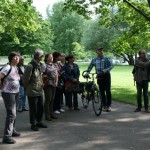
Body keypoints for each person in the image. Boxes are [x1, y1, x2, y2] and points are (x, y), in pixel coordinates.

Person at [22, 49, 47, 131]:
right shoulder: (30, 66)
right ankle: (33, 123)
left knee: (41, 107)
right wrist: (28, 88)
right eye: (42, 56)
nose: (43, 57)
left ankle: (39, 121)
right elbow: (25, 80)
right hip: (32, 91)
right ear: (38, 56)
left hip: (39, 90)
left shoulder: (39, 65)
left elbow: (39, 77)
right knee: (33, 109)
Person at [0, 52, 21, 144]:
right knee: (11, 114)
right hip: (8, 93)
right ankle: (6, 136)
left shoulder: (16, 68)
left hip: (15, 93)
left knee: (14, 113)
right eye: (15, 57)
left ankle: (12, 130)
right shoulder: (7, 67)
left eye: (18, 58)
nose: (17, 59)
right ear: (11, 58)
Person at [86, 48, 113, 112]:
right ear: (97, 52)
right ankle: (104, 105)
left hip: (106, 75)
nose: (101, 52)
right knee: (101, 91)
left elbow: (111, 66)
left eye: (101, 51)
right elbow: (90, 67)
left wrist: (105, 70)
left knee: (108, 91)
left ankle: (108, 106)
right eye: (99, 51)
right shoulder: (94, 60)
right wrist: (87, 72)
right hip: (99, 76)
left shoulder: (107, 58)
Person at [41, 53, 58, 121]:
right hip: (48, 84)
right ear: (46, 58)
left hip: (54, 84)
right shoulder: (44, 65)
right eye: (50, 57)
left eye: (52, 57)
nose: (51, 58)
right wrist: (45, 78)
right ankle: (47, 115)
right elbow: (41, 74)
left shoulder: (54, 65)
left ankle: (51, 113)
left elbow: (56, 74)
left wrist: (56, 82)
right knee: (48, 99)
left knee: (52, 99)